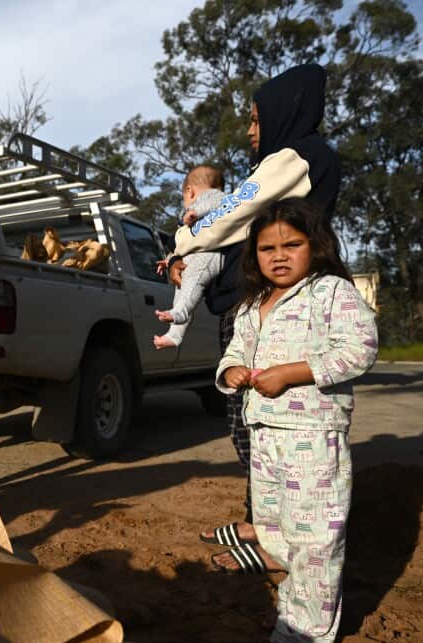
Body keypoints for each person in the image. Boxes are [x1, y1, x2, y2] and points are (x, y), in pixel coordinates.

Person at [166, 63, 341, 542]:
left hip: (268, 309)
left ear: (286, 112)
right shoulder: (300, 161)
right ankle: (260, 523)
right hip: (260, 303)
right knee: (254, 425)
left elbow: (233, 214)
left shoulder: (297, 156)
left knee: (261, 426)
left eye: (256, 119)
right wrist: (190, 256)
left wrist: (184, 240)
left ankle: (274, 536)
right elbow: (242, 227)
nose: (249, 131)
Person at [208, 197, 377, 643]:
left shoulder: (330, 293)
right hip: (264, 435)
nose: (279, 255)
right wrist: (234, 370)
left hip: (313, 436)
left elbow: (360, 349)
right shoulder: (252, 304)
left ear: (315, 245)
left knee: (314, 543)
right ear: (254, 255)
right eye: (267, 248)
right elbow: (231, 354)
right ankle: (287, 593)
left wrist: (294, 373)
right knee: (276, 527)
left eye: (292, 244)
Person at [152, 164, 226, 349]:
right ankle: (174, 334)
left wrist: (194, 212)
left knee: (191, 282)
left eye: (184, 198)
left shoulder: (213, 195)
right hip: (199, 254)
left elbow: (213, 203)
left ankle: (178, 316)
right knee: (185, 286)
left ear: (190, 191)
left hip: (211, 254)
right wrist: (170, 259)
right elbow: (184, 244)